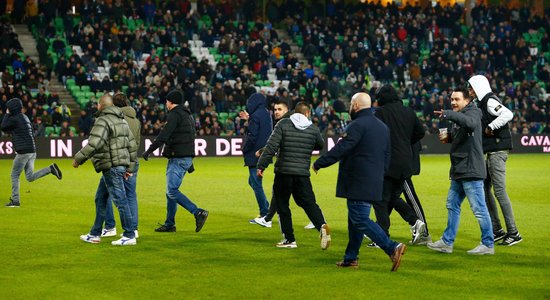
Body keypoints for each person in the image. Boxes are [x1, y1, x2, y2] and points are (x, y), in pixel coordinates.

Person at [313, 92, 406, 271]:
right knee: (354, 219)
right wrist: (379, 173)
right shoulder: (382, 127)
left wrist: (320, 162)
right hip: (374, 179)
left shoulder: (356, 125)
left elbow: (343, 147)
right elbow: (387, 155)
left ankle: (392, 247)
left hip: (358, 180)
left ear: (355, 105)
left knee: (360, 219)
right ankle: (351, 258)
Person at [428, 87, 494, 255]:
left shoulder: (474, 112)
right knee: (452, 204)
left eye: (457, 99)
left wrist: (449, 113)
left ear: (467, 101)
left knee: (479, 209)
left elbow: (471, 124)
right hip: (461, 169)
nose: (453, 102)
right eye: (451, 99)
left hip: (470, 169)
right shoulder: (463, 115)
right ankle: (447, 242)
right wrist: (450, 136)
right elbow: (466, 131)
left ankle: (488, 244)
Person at [257, 101, 331, 250]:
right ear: (307, 113)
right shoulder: (313, 128)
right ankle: (321, 225)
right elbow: (320, 145)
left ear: (294, 112)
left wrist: (262, 165)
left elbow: (272, 146)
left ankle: (289, 239)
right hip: (302, 174)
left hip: (283, 173)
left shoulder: (283, 124)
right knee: (309, 203)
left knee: (283, 205)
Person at [74, 94, 138, 246]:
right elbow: (132, 145)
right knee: (100, 198)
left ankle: (129, 235)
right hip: (118, 166)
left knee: (120, 201)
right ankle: (95, 233)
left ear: (100, 105)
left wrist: (78, 158)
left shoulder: (102, 121)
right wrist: (130, 167)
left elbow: (94, 143)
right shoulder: (121, 120)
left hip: (112, 167)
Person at [142, 89, 209, 233]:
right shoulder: (187, 115)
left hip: (178, 158)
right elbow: (189, 137)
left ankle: (198, 212)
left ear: (171, 101)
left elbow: (164, 135)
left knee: (172, 191)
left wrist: (149, 150)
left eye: (167, 100)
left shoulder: (174, 115)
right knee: (170, 192)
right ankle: (170, 224)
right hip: (184, 157)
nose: (165, 103)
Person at [468, 75, 522, 246]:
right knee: (485, 188)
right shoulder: (483, 102)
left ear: (478, 87)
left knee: (499, 191)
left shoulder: (490, 102)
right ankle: (497, 229)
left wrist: (491, 126)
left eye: (471, 88)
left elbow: (508, 113)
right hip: (493, 151)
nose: (470, 91)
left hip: (497, 151)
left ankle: (513, 232)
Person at [373, 85, 427, 244]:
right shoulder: (409, 111)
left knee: (381, 199)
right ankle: (414, 222)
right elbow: (421, 132)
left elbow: (375, 136)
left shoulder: (380, 113)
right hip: (405, 160)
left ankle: (382, 235)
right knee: (392, 197)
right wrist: (405, 142)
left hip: (388, 161)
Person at [2, 98, 62, 207]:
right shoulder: (24, 117)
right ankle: (50, 169)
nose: (8, 109)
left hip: (23, 151)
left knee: (14, 175)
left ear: (12, 108)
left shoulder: (14, 118)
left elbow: (3, 126)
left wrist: (6, 114)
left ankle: (15, 201)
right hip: (32, 150)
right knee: (29, 177)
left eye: (9, 108)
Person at [100, 92, 141, 239]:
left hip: (117, 161)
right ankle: (134, 229)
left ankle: (110, 226)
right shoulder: (136, 119)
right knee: (131, 195)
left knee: (107, 195)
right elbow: (136, 143)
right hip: (132, 161)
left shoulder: (115, 118)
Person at [240, 93, 272, 221]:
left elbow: (252, 136)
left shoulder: (255, 116)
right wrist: (249, 119)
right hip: (265, 152)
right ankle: (266, 207)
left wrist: (245, 149)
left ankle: (264, 213)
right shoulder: (266, 113)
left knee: (256, 183)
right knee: (252, 181)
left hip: (254, 154)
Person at [402, 141, 431, 244]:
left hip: (401, 162)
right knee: (390, 198)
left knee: (410, 197)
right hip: (400, 158)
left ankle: (424, 233)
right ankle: (378, 230)